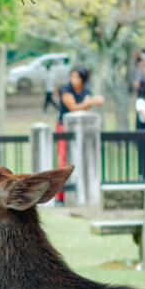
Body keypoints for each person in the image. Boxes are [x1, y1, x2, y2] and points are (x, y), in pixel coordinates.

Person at [55, 66, 105, 202]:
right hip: (64, 127)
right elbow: (73, 107)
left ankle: (79, 189)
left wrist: (89, 101)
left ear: (83, 79)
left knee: (80, 159)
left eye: (77, 77)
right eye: (72, 76)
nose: (73, 79)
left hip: (81, 129)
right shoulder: (65, 89)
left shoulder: (85, 90)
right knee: (63, 159)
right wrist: (90, 101)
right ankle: (60, 194)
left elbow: (91, 103)